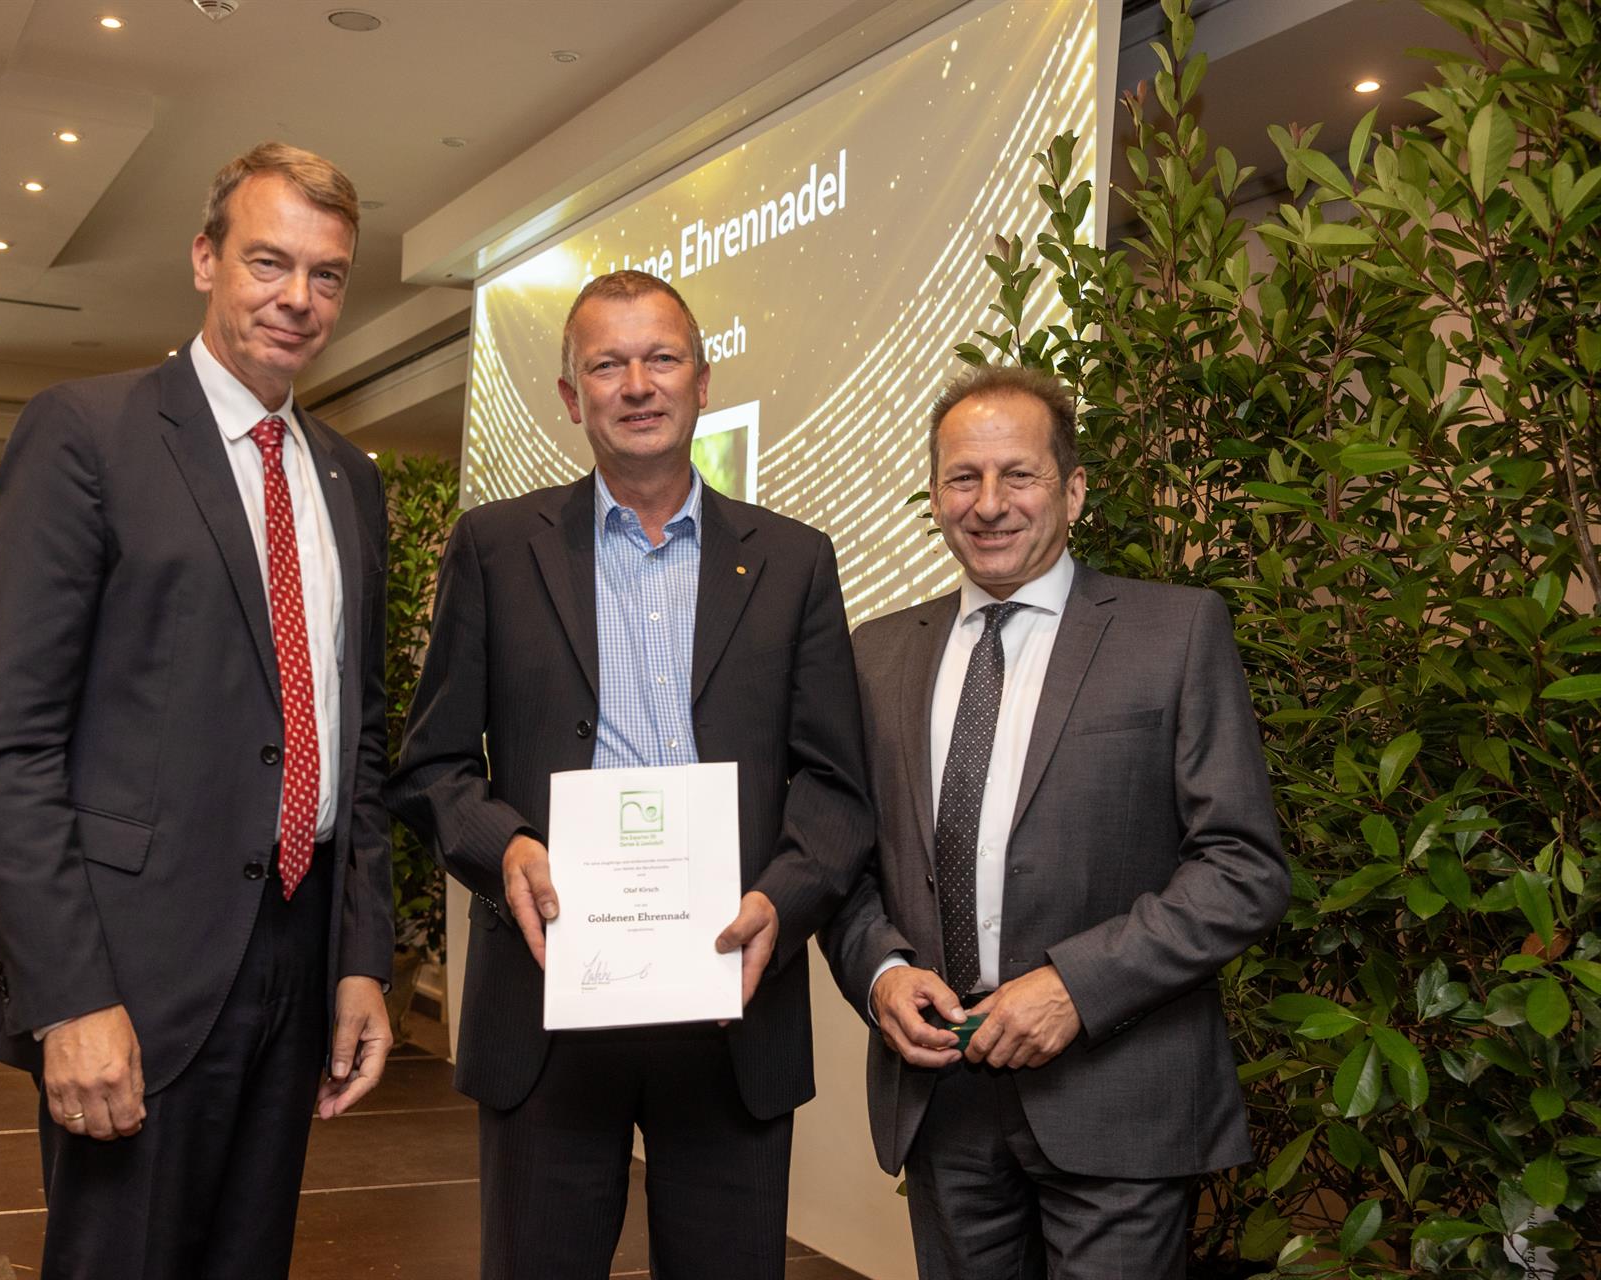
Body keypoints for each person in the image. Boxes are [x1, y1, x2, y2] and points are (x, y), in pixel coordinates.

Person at [0, 141, 395, 1279]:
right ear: (205, 258)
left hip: (298, 956)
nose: (298, 298)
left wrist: (360, 961)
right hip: (134, 969)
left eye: (327, 274)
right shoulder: (87, 432)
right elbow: (10, 751)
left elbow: (357, 741)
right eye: (268, 261)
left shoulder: (350, 479)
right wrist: (69, 997)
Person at [385, 270, 872, 1279]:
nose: (638, 385)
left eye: (662, 359)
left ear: (703, 381)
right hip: (548, 1001)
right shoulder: (494, 549)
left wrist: (781, 901)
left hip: (731, 1001)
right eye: (607, 365)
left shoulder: (794, 561)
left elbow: (836, 784)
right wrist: (504, 847)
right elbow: (433, 764)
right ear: (573, 397)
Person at [821, 364, 1290, 1278]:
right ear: (936, 496)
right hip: (943, 1100)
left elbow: (1242, 867)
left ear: (1072, 491)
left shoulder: (1175, 632)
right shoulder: (875, 655)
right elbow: (844, 861)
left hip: (1117, 1094)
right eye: (963, 478)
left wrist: (1076, 988)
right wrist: (880, 972)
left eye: (1019, 475)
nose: (990, 503)